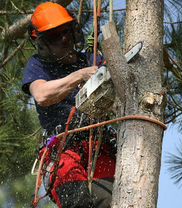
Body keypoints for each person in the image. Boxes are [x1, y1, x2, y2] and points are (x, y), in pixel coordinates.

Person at [22, 2, 116, 208]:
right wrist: (79, 76)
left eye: (66, 32)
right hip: (64, 151)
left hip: (99, 147)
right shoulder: (38, 65)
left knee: (111, 201)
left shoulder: (91, 60)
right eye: (55, 35)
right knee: (79, 201)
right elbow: (42, 95)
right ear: (43, 42)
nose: (63, 38)